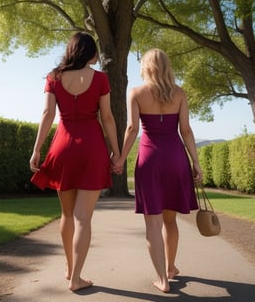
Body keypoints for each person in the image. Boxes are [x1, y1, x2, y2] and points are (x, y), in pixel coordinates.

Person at [29, 32, 120, 292]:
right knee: (83, 218)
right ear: (90, 53)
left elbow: (47, 114)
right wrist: (116, 152)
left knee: (67, 214)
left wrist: (37, 150)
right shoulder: (100, 78)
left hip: (62, 147)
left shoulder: (54, 77)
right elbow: (108, 118)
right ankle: (76, 277)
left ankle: (70, 268)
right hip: (92, 148)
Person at [113, 48, 202, 293]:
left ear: (146, 67)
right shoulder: (180, 93)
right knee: (170, 220)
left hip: (149, 158)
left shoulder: (137, 93)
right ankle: (171, 266)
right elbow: (186, 131)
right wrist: (195, 162)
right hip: (176, 158)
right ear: (167, 66)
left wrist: (120, 158)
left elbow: (132, 128)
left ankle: (162, 279)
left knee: (153, 222)